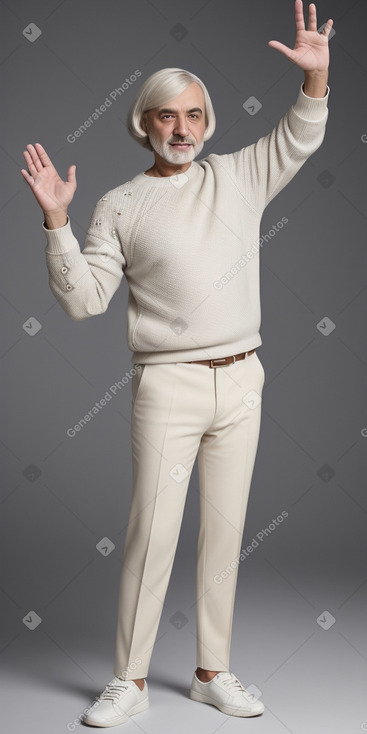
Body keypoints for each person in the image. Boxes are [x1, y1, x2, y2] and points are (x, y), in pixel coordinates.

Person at [21, 0, 333, 726]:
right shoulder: (119, 205)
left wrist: (315, 81)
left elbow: (297, 138)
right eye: (167, 115)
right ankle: (127, 682)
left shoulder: (236, 177)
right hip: (167, 384)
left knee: (224, 532)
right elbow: (83, 300)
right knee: (152, 532)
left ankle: (210, 672)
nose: (182, 128)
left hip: (243, 377)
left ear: (206, 122)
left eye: (193, 114)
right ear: (144, 123)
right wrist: (58, 223)